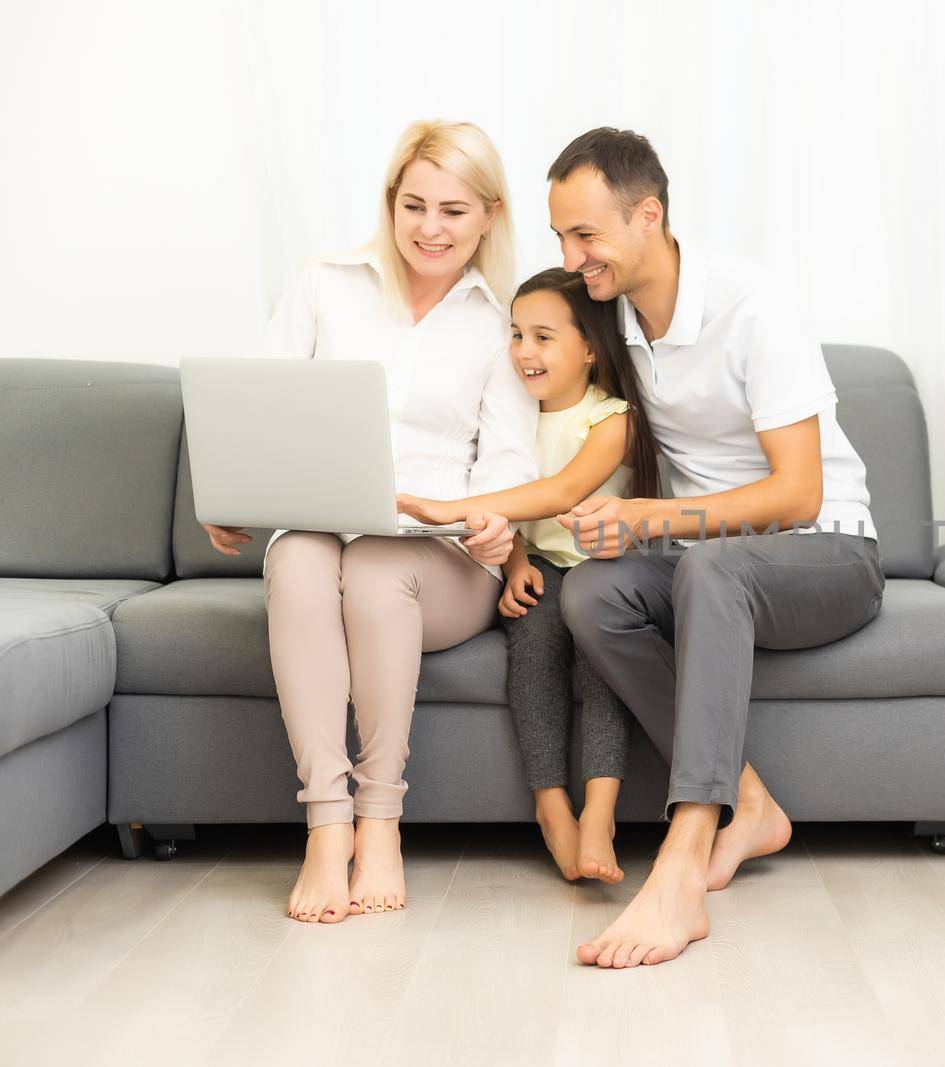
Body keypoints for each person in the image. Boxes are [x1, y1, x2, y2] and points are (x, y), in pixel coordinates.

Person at [547, 128, 885, 968]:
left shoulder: (749, 305)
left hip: (827, 551)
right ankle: (750, 801)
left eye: (585, 234)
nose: (572, 254)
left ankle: (684, 860)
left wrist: (649, 519)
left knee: (711, 561)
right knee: (590, 595)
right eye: (560, 235)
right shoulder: (611, 314)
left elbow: (798, 492)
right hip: (712, 565)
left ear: (648, 215)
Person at [201, 120, 539, 924]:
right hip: (327, 531)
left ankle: (380, 818)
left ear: (490, 214)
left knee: (382, 567)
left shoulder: (502, 322)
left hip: (443, 559)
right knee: (302, 558)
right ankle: (328, 825)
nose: (430, 227)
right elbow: (261, 407)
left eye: (454, 210)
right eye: (414, 204)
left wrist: (492, 521)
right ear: (390, 203)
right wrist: (233, 491)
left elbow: (510, 461)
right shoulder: (325, 284)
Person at [395, 267, 660, 884]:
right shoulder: (505, 415)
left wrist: (449, 512)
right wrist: (512, 564)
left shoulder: (611, 418)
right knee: (534, 651)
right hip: (538, 564)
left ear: (591, 348)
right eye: (515, 335)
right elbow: (503, 507)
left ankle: (600, 812)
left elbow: (559, 492)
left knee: (600, 663)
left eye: (543, 337)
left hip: (606, 569)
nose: (523, 352)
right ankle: (550, 807)